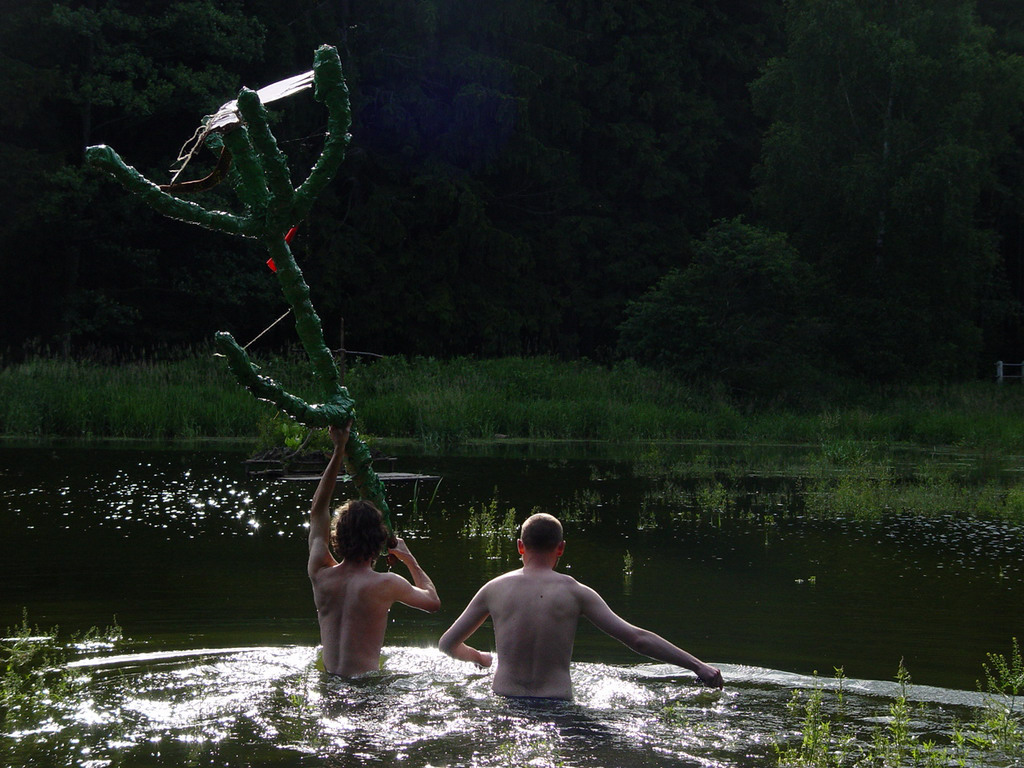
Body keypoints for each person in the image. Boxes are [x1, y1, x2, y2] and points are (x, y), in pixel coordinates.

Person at [439, 512, 722, 700]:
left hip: (505, 701)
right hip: (557, 705)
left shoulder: (493, 589)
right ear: (561, 548)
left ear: (520, 546)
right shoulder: (576, 593)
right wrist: (698, 666)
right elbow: (637, 639)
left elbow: (448, 644)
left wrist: (480, 658)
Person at [308, 421, 440, 676]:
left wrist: (338, 450)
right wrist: (409, 558)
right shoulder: (387, 583)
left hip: (328, 686)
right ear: (380, 540)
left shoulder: (320, 573)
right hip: (366, 687)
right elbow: (432, 602)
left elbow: (318, 510)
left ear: (337, 537)